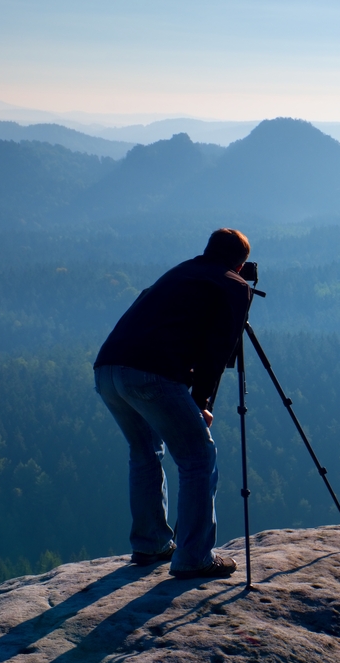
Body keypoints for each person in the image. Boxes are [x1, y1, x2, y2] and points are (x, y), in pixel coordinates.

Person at [94, 228, 252, 577]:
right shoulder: (234, 285)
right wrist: (201, 401)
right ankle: (193, 556)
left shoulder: (180, 271)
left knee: (145, 450)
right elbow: (217, 350)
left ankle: (150, 545)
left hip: (107, 369)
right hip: (152, 374)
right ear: (240, 265)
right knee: (198, 456)